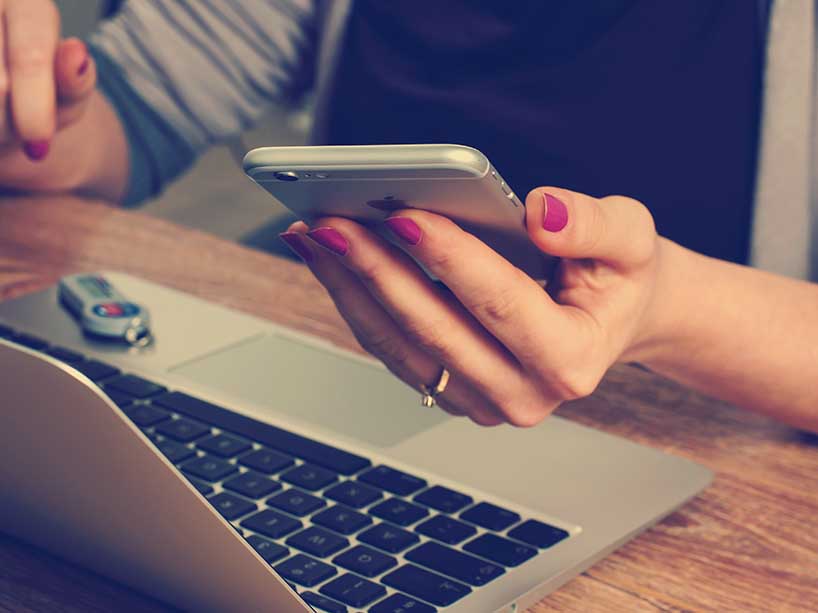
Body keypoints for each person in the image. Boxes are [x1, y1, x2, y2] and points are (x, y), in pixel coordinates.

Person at [1, 0, 817, 431]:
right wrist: (33, 115)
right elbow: (141, 98)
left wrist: (668, 308)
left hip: (717, 460)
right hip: (336, 385)